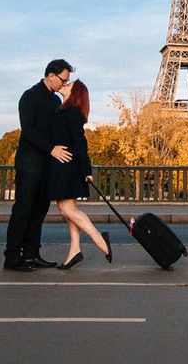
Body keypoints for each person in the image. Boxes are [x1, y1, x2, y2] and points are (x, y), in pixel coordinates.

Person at [4, 59, 74, 272]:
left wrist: (68, 101)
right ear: (50, 75)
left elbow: (64, 128)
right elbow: (29, 131)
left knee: (40, 210)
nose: (64, 84)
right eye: (63, 80)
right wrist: (51, 149)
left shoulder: (55, 101)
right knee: (24, 208)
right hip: (30, 161)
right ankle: (12, 257)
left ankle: (32, 254)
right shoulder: (29, 97)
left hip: (46, 163)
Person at [47, 79, 113, 268]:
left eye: (69, 85)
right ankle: (75, 250)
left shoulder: (71, 113)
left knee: (66, 210)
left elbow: (80, 142)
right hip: (66, 165)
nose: (65, 85)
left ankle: (101, 242)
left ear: (74, 93)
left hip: (67, 167)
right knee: (70, 210)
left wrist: (86, 170)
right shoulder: (65, 110)